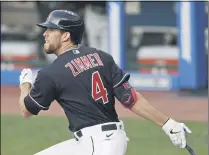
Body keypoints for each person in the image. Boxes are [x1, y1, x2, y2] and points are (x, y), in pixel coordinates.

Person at [18, 10, 191, 155]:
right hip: (108, 139)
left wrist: (25, 85)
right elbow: (131, 99)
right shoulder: (101, 56)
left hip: (96, 145)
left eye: (51, 29)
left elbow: (27, 111)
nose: (44, 33)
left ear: (65, 36)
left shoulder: (51, 72)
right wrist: (168, 123)